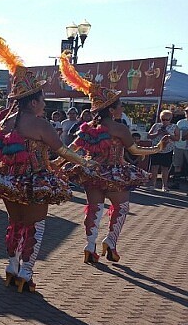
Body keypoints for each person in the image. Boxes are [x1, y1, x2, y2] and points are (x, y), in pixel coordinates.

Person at [0, 36, 94, 293]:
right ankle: (26, 274)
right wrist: (85, 162)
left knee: (15, 223)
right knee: (36, 226)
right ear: (34, 101)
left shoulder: (6, 122)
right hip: (35, 181)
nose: (45, 104)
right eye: (42, 100)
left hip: (7, 180)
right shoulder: (39, 124)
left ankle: (11, 267)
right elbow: (61, 150)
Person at [60, 55, 169, 264]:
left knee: (94, 208)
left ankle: (90, 246)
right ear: (111, 109)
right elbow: (135, 151)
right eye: (120, 106)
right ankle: (110, 242)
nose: (122, 109)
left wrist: (56, 163)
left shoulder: (89, 128)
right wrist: (158, 148)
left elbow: (72, 148)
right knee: (122, 207)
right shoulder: (119, 128)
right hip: (115, 174)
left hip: (92, 173)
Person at [147, 110, 178, 191]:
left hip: (167, 150)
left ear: (170, 119)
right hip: (156, 149)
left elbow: (177, 138)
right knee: (154, 167)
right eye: (163, 119)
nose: (164, 121)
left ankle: (165, 186)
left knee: (165, 169)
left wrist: (168, 134)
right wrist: (157, 133)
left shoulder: (174, 127)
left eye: (167, 119)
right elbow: (149, 136)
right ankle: (152, 184)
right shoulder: (156, 125)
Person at [172, 108, 188, 187]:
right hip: (179, 145)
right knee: (177, 165)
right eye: (186, 112)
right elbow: (176, 133)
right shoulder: (181, 122)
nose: (187, 113)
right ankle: (176, 183)